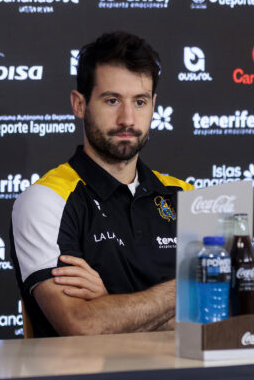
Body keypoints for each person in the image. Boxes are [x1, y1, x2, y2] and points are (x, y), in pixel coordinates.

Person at [11, 31, 193, 337]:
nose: (127, 119)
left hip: (182, 371)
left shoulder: (187, 196)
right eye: (112, 100)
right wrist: (189, 286)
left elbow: (227, 320)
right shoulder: (46, 200)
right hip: (89, 372)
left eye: (140, 102)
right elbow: (82, 324)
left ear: (154, 105)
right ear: (79, 104)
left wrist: (109, 300)